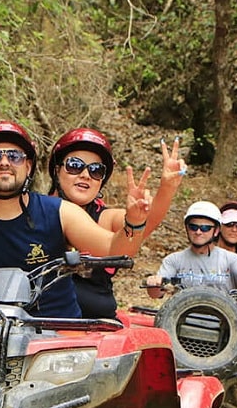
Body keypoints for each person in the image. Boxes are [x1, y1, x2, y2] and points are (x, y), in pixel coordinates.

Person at [0, 120, 153, 318]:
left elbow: (117, 249)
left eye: (14, 156)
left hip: (58, 337)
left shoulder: (59, 211)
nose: (4, 163)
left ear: (29, 167)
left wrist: (134, 221)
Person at [48, 129, 186, 318]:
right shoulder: (35, 210)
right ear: (57, 169)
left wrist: (167, 188)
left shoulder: (106, 218)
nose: (86, 175)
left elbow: (142, 226)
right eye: (74, 165)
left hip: (96, 327)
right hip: (39, 323)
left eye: (96, 170)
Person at [146, 201, 237, 320]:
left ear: (216, 230)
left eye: (205, 228)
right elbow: (155, 293)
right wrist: (155, 283)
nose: (198, 232)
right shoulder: (173, 260)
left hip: (223, 327)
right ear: (187, 228)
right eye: (193, 227)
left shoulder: (232, 260)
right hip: (181, 322)